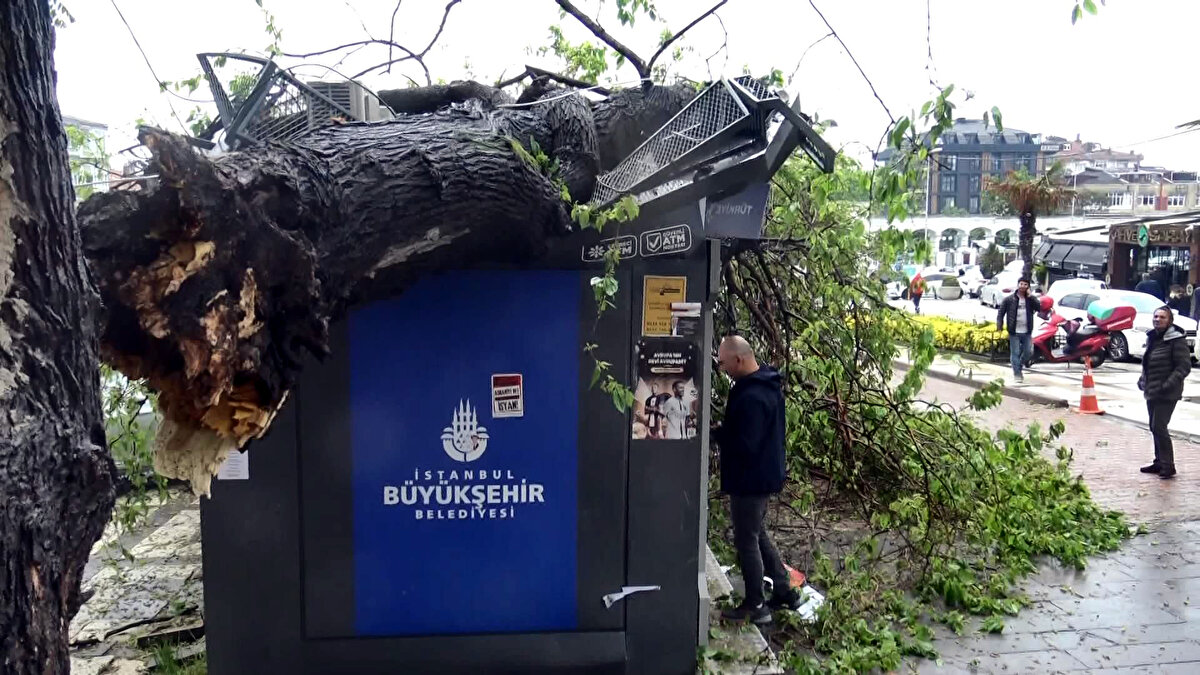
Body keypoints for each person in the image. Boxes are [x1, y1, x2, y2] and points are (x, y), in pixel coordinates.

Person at [713, 336, 800, 625]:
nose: (722, 369)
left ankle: (755, 605)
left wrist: (719, 434)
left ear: (738, 360)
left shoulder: (751, 396)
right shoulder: (766, 383)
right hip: (764, 474)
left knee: (746, 539)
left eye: (723, 363)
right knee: (757, 532)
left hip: (750, 479)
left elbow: (746, 444)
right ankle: (784, 590)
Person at [1138, 306, 1192, 479]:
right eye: (1156, 316)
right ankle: (1159, 462)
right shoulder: (1153, 337)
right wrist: (1143, 379)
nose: (1158, 320)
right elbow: (1148, 362)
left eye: (1162, 317)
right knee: (1153, 427)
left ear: (1169, 321)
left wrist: (1167, 384)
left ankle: (1168, 466)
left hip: (1167, 392)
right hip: (1151, 389)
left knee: (1159, 426)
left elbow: (1184, 366)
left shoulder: (1176, 340)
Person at [995, 277, 1043, 383]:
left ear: (1028, 287)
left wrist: (1031, 296)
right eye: (1021, 284)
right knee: (1015, 352)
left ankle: (1018, 365)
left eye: (1025, 284)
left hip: (1027, 331)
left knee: (1028, 352)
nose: (1023, 286)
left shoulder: (1030, 299)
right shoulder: (1009, 299)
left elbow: (1039, 308)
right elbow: (1000, 313)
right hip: (1014, 331)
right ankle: (1017, 374)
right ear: (1018, 285)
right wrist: (999, 327)